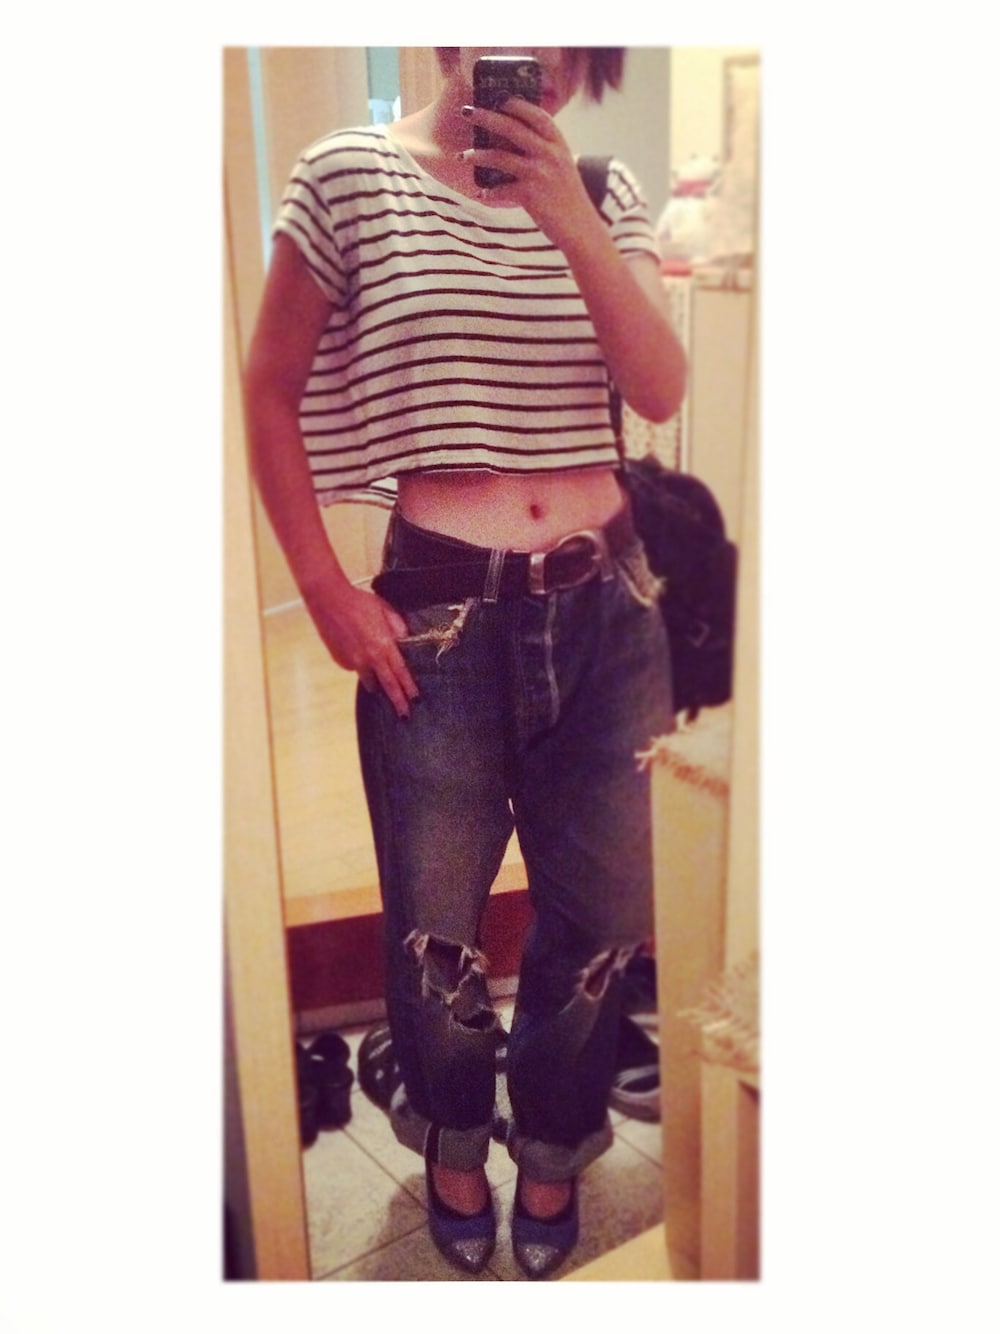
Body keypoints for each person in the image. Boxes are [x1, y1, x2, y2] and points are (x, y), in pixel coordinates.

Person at [244, 46, 686, 1279]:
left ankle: (550, 1142)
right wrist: (324, 588)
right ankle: (451, 1141)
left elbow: (658, 388)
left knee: (601, 916)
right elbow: (270, 389)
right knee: (434, 930)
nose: (544, 57)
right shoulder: (348, 175)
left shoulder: (601, 188)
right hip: (439, 616)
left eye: (571, 40)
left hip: (610, 612)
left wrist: (568, 216)